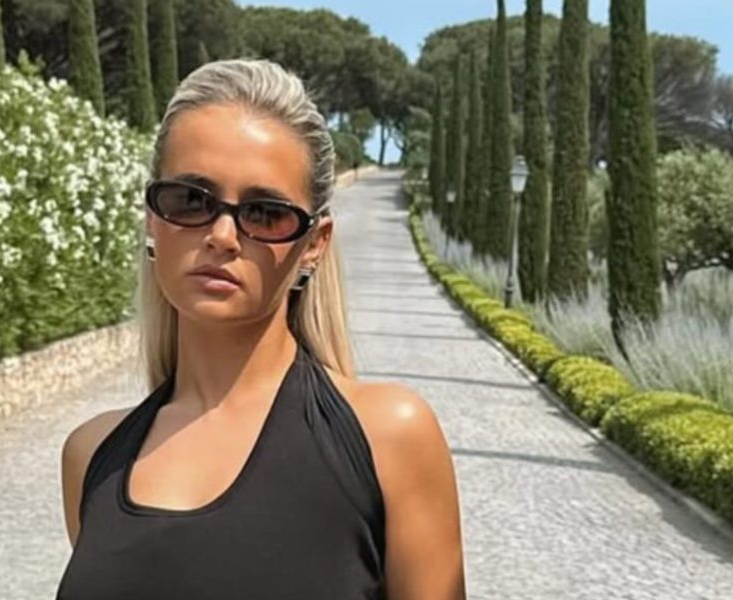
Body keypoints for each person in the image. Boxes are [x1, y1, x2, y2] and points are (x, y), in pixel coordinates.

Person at [56, 59, 465, 600]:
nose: (223, 236)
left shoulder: (388, 438)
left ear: (314, 244)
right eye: (190, 201)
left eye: (265, 213)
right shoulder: (90, 456)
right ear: (153, 217)